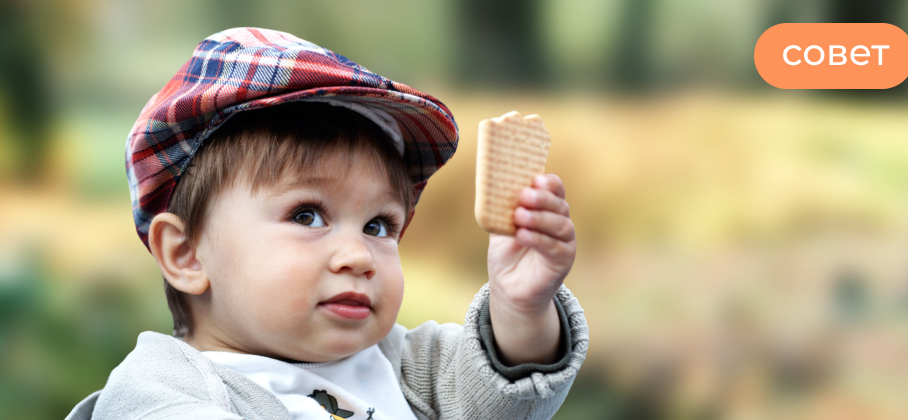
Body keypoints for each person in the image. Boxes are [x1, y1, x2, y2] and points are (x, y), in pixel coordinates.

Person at [66, 27, 588, 420]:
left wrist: (521, 306)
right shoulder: (166, 394)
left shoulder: (405, 365)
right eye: (307, 215)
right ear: (186, 253)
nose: (358, 256)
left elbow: (500, 394)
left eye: (379, 225)